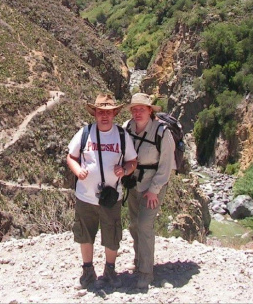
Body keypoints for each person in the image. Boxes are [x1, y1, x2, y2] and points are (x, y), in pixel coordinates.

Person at [67, 93, 138, 289]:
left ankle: (110, 270)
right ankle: (88, 271)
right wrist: (77, 170)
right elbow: (71, 157)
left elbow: (133, 161)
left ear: (114, 113)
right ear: (95, 114)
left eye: (108, 112)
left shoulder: (122, 136)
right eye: (100, 112)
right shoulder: (84, 133)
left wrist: (124, 170)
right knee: (85, 234)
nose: (104, 116)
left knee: (112, 235)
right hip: (85, 196)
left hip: (111, 197)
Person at [124, 93, 175, 289]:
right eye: (134, 109)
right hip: (134, 183)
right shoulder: (128, 127)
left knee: (145, 225)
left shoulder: (162, 132)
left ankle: (146, 272)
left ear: (150, 111)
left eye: (142, 109)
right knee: (134, 225)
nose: (137, 113)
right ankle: (139, 260)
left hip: (154, 185)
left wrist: (154, 190)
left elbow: (166, 165)